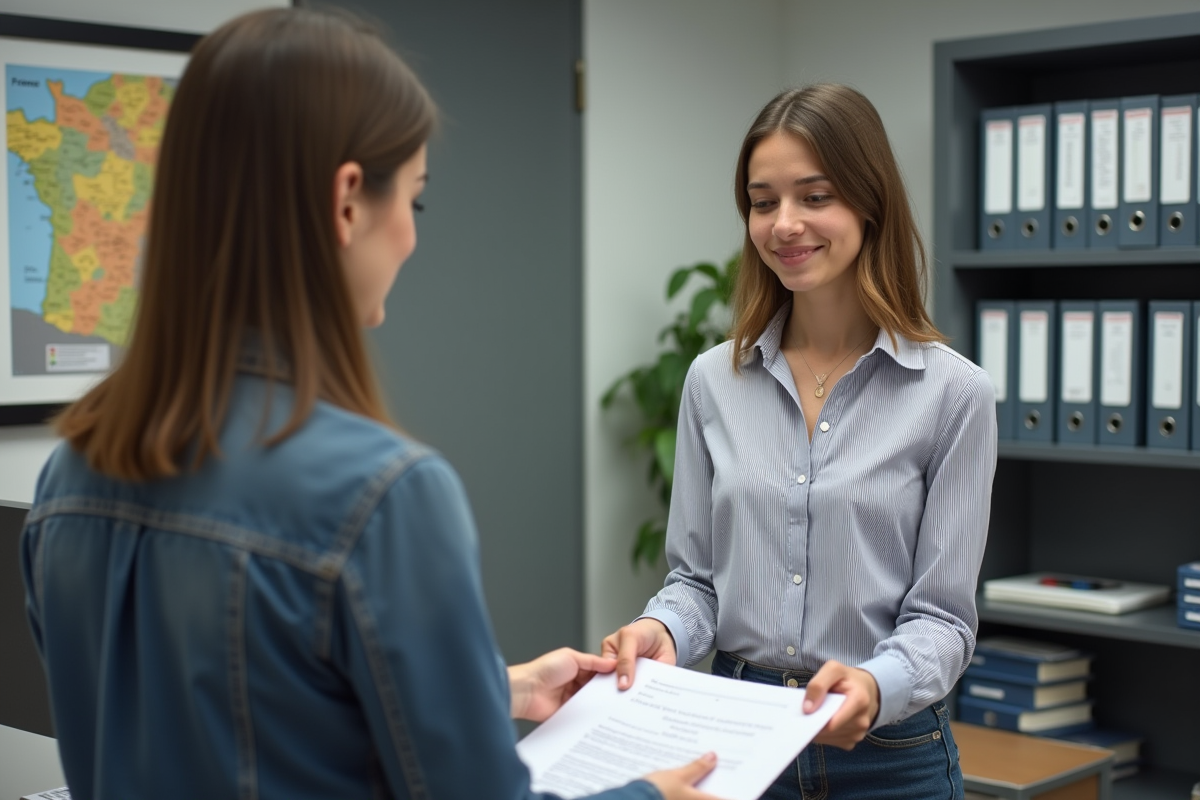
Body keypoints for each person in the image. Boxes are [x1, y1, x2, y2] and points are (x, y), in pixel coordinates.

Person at [19, 9, 722, 800]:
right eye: (414, 202)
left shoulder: (71, 474)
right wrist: (651, 796)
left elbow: (245, 715)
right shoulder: (383, 494)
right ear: (348, 200)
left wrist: (508, 688)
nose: (413, 240)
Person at [602, 84, 997, 799]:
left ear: (868, 202)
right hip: (737, 738)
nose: (785, 224)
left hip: (889, 755)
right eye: (763, 201)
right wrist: (663, 630)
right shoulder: (712, 380)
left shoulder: (953, 395)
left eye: (815, 197)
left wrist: (877, 684)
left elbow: (943, 619)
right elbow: (696, 583)